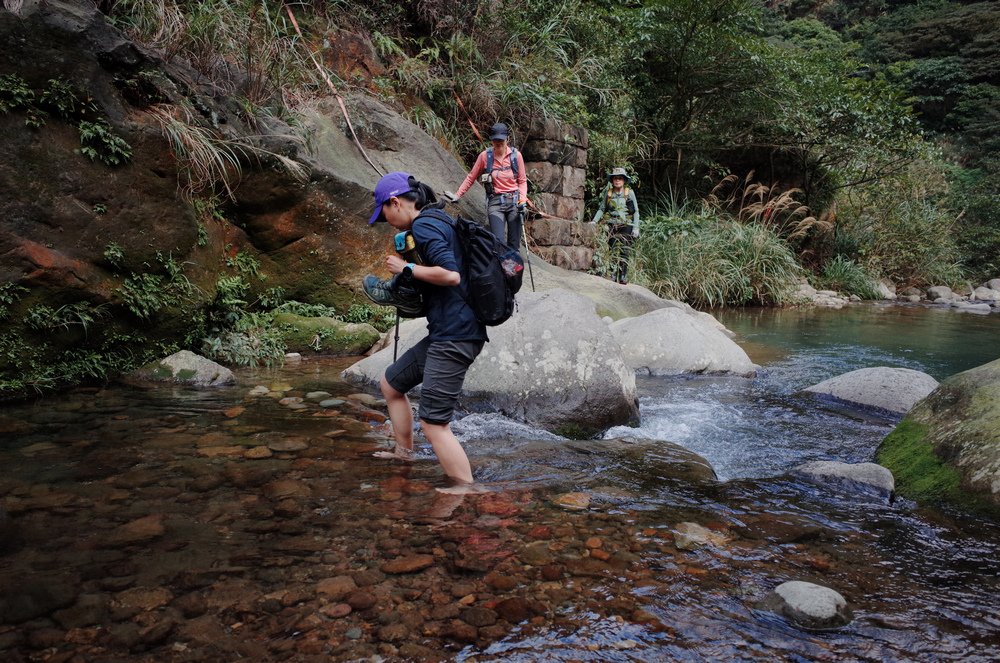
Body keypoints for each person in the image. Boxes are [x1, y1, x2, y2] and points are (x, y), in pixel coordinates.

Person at [367, 171, 488, 491]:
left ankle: (465, 491)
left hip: (455, 336)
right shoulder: (437, 220)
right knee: (391, 383)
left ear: (395, 202)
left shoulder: (425, 224)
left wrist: (405, 267)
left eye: (385, 214)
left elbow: (450, 275)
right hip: (447, 332)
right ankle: (404, 455)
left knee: (435, 424)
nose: (387, 221)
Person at [450, 122, 528, 249]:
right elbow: (471, 177)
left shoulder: (516, 156)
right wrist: (458, 195)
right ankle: (501, 268)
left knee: (514, 244)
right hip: (495, 203)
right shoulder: (485, 156)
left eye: (501, 140)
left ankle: (514, 269)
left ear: (507, 139)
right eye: (495, 140)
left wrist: (522, 200)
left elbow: (522, 181)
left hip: (514, 202)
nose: (498, 143)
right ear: (491, 140)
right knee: (498, 243)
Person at [590, 166, 640, 284]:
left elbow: (636, 211)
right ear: (612, 180)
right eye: (615, 178)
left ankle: (623, 275)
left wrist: (636, 227)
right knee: (611, 249)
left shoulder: (630, 193)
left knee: (625, 250)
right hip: (612, 224)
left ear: (624, 180)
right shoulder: (608, 194)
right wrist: (594, 221)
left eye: (620, 178)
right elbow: (602, 209)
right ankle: (612, 273)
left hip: (626, 224)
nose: (617, 180)